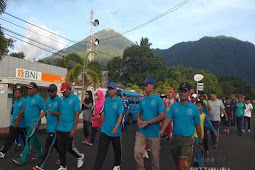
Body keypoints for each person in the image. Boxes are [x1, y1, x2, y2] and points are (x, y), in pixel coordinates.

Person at [159, 82, 203, 169]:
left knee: (183, 164)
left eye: (185, 91)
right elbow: (168, 119)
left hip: (187, 140)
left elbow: (198, 126)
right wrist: (162, 130)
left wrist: (200, 142)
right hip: (175, 139)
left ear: (189, 93)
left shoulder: (194, 108)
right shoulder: (174, 106)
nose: (182, 93)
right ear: (178, 92)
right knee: (178, 164)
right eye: (181, 91)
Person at [134, 77, 165, 170]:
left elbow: (162, 115)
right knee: (137, 153)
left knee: (155, 158)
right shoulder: (142, 100)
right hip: (142, 131)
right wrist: (139, 120)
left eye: (146, 85)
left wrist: (148, 122)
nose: (144, 87)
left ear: (152, 86)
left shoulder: (158, 100)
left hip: (154, 132)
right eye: (144, 86)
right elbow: (138, 113)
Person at [93, 82, 124, 170]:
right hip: (105, 130)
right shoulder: (106, 100)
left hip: (115, 131)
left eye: (112, 89)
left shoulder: (119, 101)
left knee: (117, 149)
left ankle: (117, 165)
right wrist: (102, 125)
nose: (110, 90)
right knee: (101, 151)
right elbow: (104, 114)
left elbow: (120, 115)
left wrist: (116, 127)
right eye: (109, 89)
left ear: (115, 90)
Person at [13, 82, 44, 165]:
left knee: (28, 140)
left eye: (30, 89)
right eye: (28, 88)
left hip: (34, 124)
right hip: (28, 123)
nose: (28, 90)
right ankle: (40, 153)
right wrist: (17, 117)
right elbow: (24, 109)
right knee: (35, 139)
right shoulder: (28, 99)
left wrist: (38, 120)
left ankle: (21, 160)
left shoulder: (39, 99)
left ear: (35, 89)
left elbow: (45, 110)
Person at [32, 84, 62, 170]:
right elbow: (44, 111)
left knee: (48, 147)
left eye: (52, 91)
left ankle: (41, 165)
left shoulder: (59, 101)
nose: (50, 93)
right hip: (49, 127)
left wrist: (53, 113)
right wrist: (37, 120)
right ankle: (62, 157)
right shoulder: (48, 100)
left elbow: (61, 114)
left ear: (56, 91)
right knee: (55, 144)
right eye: (49, 91)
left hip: (54, 128)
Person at [57, 82, 84, 170]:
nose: (63, 93)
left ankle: (80, 156)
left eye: (64, 91)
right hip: (61, 127)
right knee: (60, 147)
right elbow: (60, 114)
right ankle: (63, 166)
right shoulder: (63, 100)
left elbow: (77, 115)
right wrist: (58, 125)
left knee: (69, 147)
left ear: (69, 89)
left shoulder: (75, 99)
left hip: (69, 127)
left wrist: (74, 129)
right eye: (62, 92)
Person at [0, 88, 26, 159]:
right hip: (14, 124)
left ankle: (27, 152)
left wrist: (18, 121)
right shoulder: (16, 101)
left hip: (22, 125)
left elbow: (24, 113)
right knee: (10, 138)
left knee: (26, 140)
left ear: (21, 94)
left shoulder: (24, 101)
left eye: (17, 93)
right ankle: (3, 152)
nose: (15, 95)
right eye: (15, 93)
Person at [194, 101, 218, 167]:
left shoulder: (204, 115)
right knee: (198, 150)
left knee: (199, 149)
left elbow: (209, 124)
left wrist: (214, 131)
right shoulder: (192, 114)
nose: (197, 107)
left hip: (200, 135)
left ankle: (197, 161)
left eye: (198, 105)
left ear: (202, 107)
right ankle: (201, 165)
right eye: (196, 105)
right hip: (193, 135)